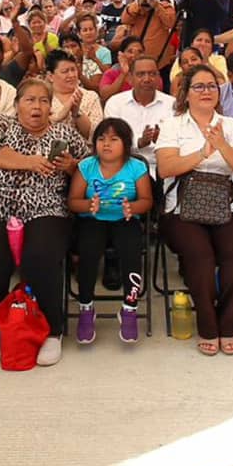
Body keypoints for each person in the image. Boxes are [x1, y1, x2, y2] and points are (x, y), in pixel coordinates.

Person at [0, 77, 85, 367]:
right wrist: (30, 161)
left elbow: (88, 169)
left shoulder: (64, 133)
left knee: (40, 257)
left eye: (44, 100)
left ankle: (51, 331)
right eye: (30, 100)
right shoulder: (0, 125)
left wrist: (71, 167)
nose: (37, 106)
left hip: (45, 205)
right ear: (17, 104)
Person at [157, 63, 233, 356]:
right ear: (186, 94)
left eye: (211, 86)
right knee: (201, 256)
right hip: (183, 207)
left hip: (224, 204)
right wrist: (202, 153)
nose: (206, 91)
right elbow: (165, 167)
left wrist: (221, 143)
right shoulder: (173, 125)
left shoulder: (230, 125)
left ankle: (230, 323)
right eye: (199, 86)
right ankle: (208, 326)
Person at [66, 118, 153, 345]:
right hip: (91, 220)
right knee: (87, 252)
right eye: (101, 139)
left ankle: (129, 308)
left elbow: (147, 200)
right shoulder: (86, 166)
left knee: (132, 252)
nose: (106, 144)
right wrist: (88, 206)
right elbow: (73, 201)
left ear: (126, 143)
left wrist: (133, 208)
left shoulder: (137, 167)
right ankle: (86, 307)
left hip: (125, 220)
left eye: (114, 139)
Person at [104, 55, 169, 174]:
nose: (147, 79)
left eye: (152, 74)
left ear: (159, 78)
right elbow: (110, 140)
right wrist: (139, 142)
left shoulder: (172, 104)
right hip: (123, 167)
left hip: (161, 168)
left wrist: (161, 140)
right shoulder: (115, 103)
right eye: (141, 74)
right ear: (130, 78)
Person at [45, 48, 100, 140]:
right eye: (65, 71)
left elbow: (95, 135)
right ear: (50, 76)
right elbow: (35, 129)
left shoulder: (90, 97)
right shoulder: (43, 98)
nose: (71, 75)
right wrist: (59, 116)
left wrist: (77, 113)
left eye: (73, 70)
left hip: (84, 152)